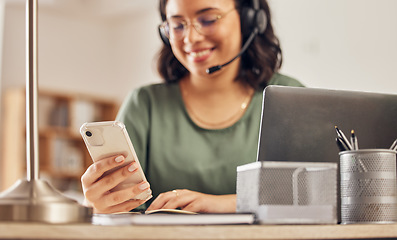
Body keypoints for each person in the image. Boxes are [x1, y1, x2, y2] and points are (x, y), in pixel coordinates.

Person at [81, 0, 304, 214]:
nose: (191, 37)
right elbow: (125, 211)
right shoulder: (144, 105)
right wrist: (101, 207)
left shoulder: (290, 97)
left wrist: (224, 204)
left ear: (249, 20)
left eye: (208, 19)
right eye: (177, 25)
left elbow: (314, 196)